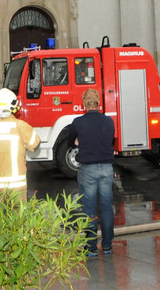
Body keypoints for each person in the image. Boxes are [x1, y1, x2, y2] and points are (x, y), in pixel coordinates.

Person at [68, 88, 116, 257]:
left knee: (89, 209)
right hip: (106, 168)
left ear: (84, 104)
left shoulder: (78, 122)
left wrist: (78, 140)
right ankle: (108, 246)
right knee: (107, 208)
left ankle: (91, 248)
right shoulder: (109, 121)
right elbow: (110, 139)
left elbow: (71, 142)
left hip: (87, 169)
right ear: (98, 103)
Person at [0, 88, 40, 201]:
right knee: (17, 217)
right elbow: (35, 144)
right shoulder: (21, 126)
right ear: (12, 105)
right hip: (16, 185)